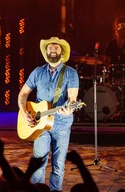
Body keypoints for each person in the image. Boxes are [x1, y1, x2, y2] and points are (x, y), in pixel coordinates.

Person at [17, 37, 79, 191]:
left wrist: (69, 109)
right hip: (40, 125)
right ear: (46, 51)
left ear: (62, 52)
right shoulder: (38, 72)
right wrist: (24, 112)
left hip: (62, 125)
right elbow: (22, 95)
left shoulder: (70, 73)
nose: (52, 50)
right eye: (50, 48)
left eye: (56, 48)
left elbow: (72, 100)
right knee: (39, 163)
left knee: (58, 165)